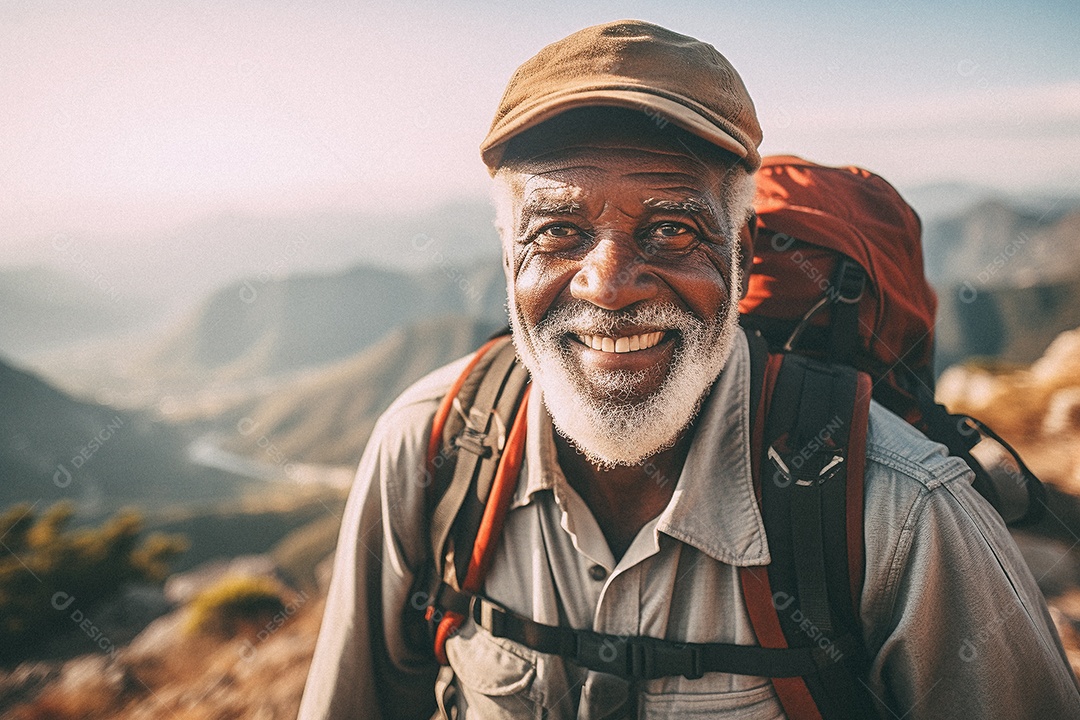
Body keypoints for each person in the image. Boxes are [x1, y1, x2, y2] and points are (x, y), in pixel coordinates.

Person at [298, 20, 1080, 719]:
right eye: (559, 230)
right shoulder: (430, 449)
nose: (608, 285)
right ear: (508, 260)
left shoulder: (903, 515)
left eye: (672, 228)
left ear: (740, 257)